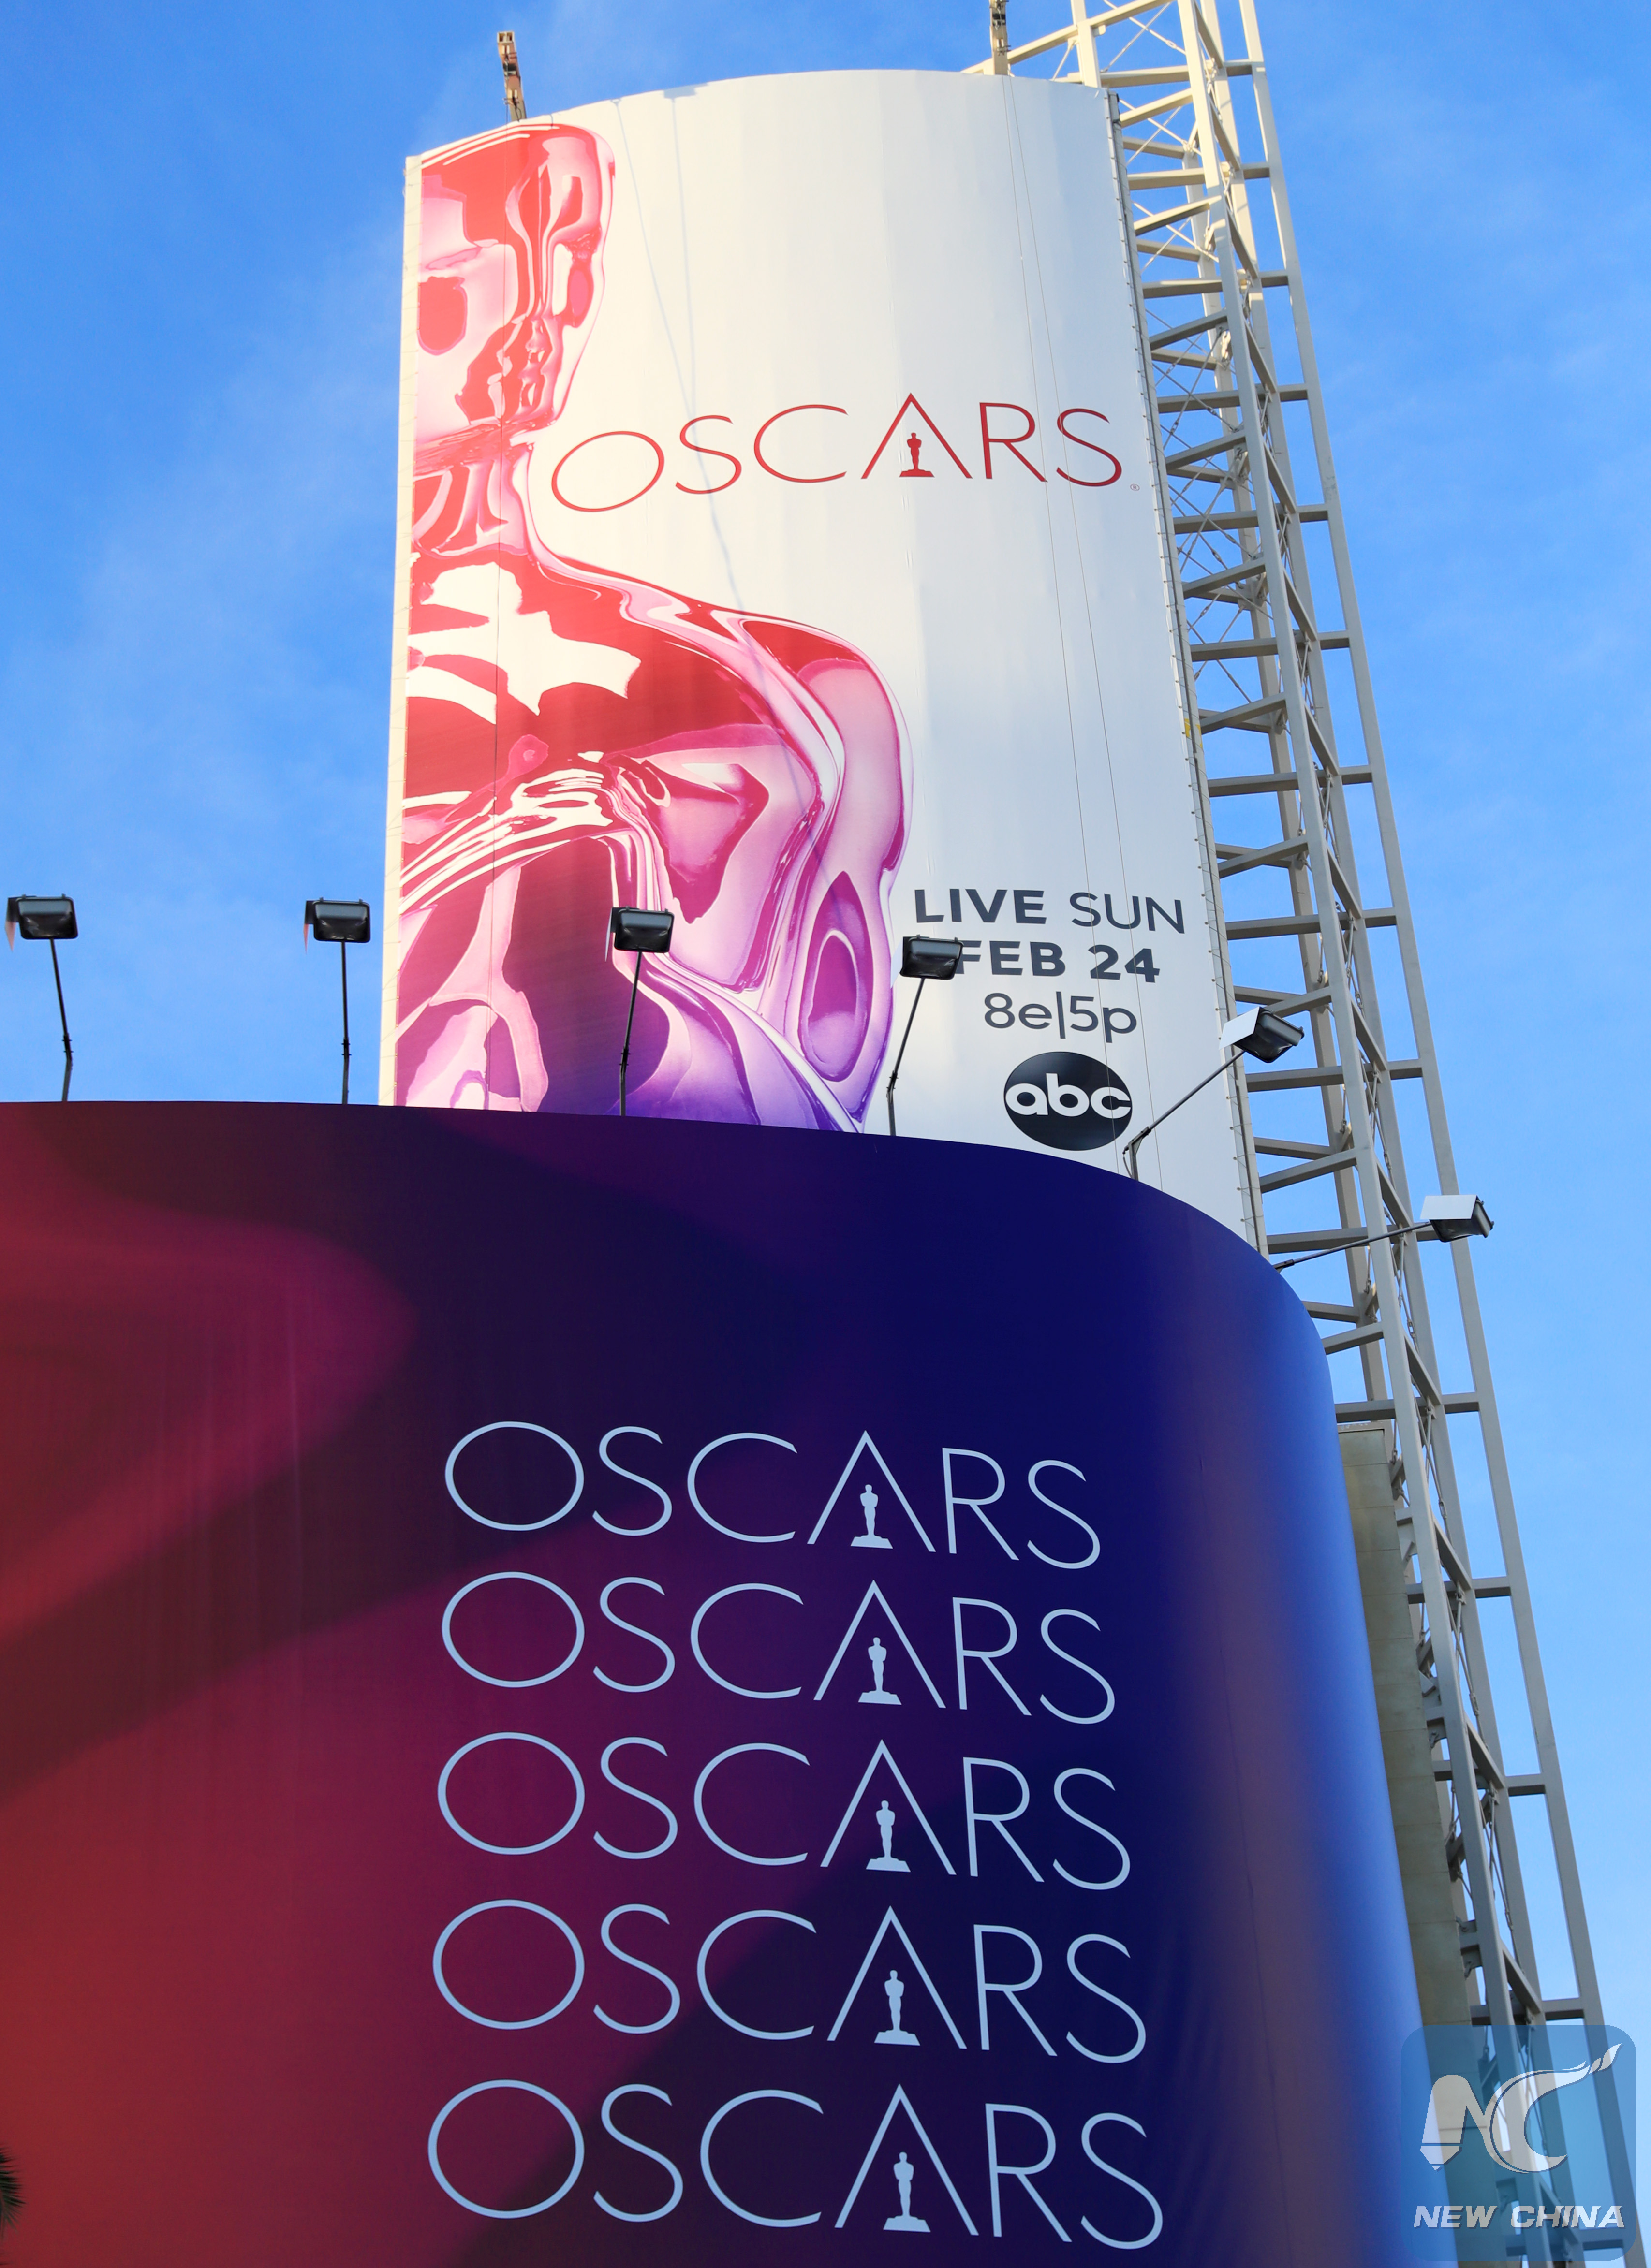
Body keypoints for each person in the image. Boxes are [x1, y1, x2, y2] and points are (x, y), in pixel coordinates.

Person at [393, 122, 907, 1122]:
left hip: (729, 1179)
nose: (535, 319)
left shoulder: (805, 688)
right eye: (464, 279)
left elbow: (845, 1078)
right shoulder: (368, 710)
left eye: (572, 259)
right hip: (464, 1190)